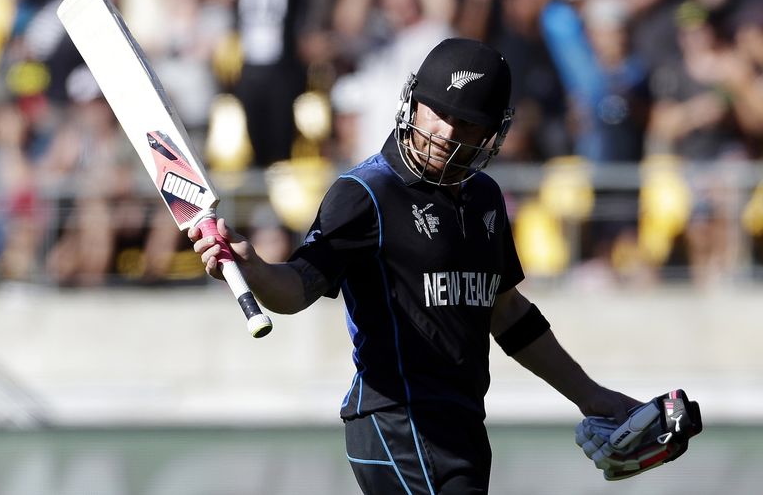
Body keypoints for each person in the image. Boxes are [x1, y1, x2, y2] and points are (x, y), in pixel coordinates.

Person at [189, 38, 639, 494]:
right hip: (393, 423)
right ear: (413, 102)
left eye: (466, 123)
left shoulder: (485, 198)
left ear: (491, 133)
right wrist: (254, 267)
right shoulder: (365, 193)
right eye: (437, 112)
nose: (445, 132)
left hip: (463, 426)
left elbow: (508, 314)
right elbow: (297, 287)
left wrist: (592, 397)